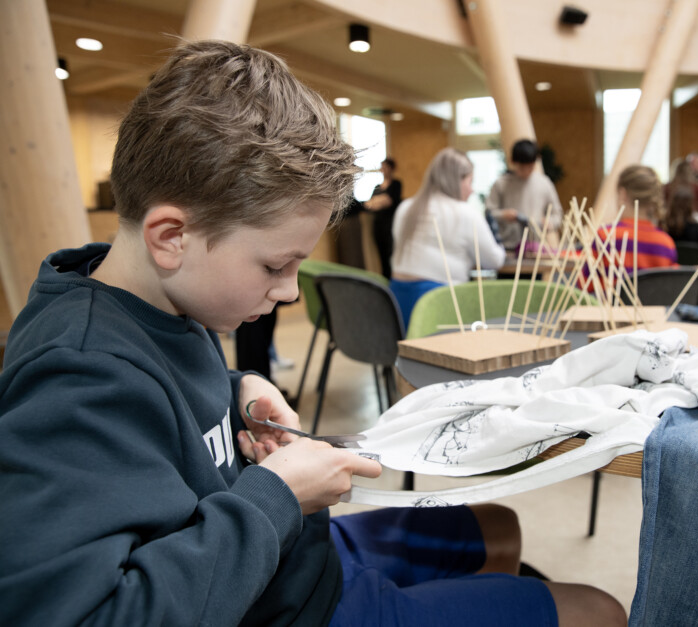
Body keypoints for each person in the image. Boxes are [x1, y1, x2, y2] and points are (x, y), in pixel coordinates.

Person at [0, 41, 627, 627]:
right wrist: (274, 497)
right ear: (171, 238)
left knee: (499, 528)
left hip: (294, 559)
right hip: (288, 601)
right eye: (275, 265)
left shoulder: (159, 301)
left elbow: (157, 407)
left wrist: (234, 386)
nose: (292, 291)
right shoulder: (76, 379)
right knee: (597, 609)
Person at [391, 148, 507, 329]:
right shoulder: (466, 213)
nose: (472, 190)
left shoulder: (405, 208)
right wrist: (498, 241)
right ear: (456, 180)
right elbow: (494, 260)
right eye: (470, 181)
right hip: (440, 306)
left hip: (398, 302)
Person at [588, 165, 677, 292]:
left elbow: (585, 288)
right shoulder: (666, 243)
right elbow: (669, 291)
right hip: (654, 312)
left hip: (611, 311)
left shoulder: (605, 236)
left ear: (623, 194)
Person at [486, 139, 563, 251]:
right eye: (522, 167)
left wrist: (549, 222)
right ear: (512, 161)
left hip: (534, 247)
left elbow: (557, 213)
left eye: (530, 167)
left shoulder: (544, 183)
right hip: (506, 247)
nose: (526, 171)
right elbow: (489, 213)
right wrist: (503, 215)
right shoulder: (501, 184)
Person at [362, 157, 403, 279]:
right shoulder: (377, 187)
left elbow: (390, 201)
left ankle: (393, 278)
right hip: (378, 224)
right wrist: (379, 201)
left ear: (391, 169)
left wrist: (377, 201)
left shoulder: (396, 184)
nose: (383, 170)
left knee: (392, 252)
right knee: (381, 254)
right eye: (382, 167)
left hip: (390, 224)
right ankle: (385, 279)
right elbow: (369, 204)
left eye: (386, 167)